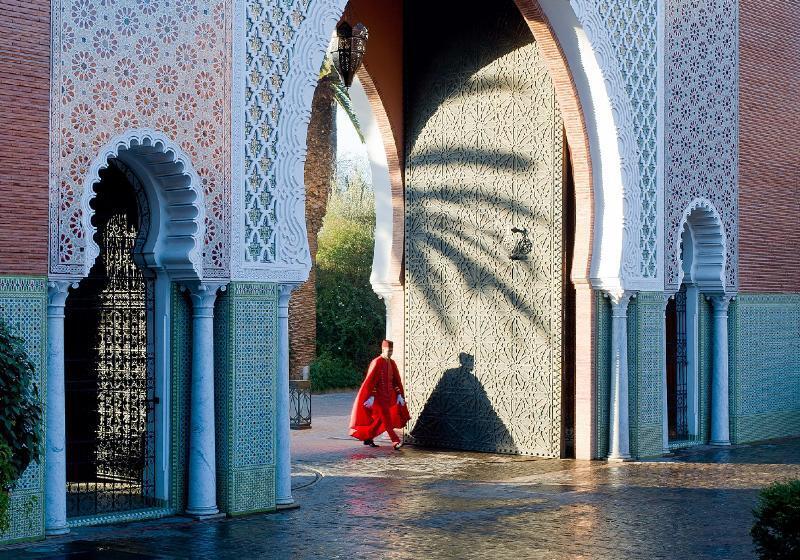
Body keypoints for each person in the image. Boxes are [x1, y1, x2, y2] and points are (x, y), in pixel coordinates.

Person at [349, 339, 410, 450]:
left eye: (392, 351)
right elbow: (371, 381)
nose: (390, 353)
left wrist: (399, 394)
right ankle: (395, 441)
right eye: (388, 351)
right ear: (383, 349)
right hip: (378, 398)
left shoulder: (392, 363)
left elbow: (396, 381)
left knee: (381, 419)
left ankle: (369, 437)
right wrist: (371, 396)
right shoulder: (376, 362)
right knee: (387, 418)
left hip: (389, 397)